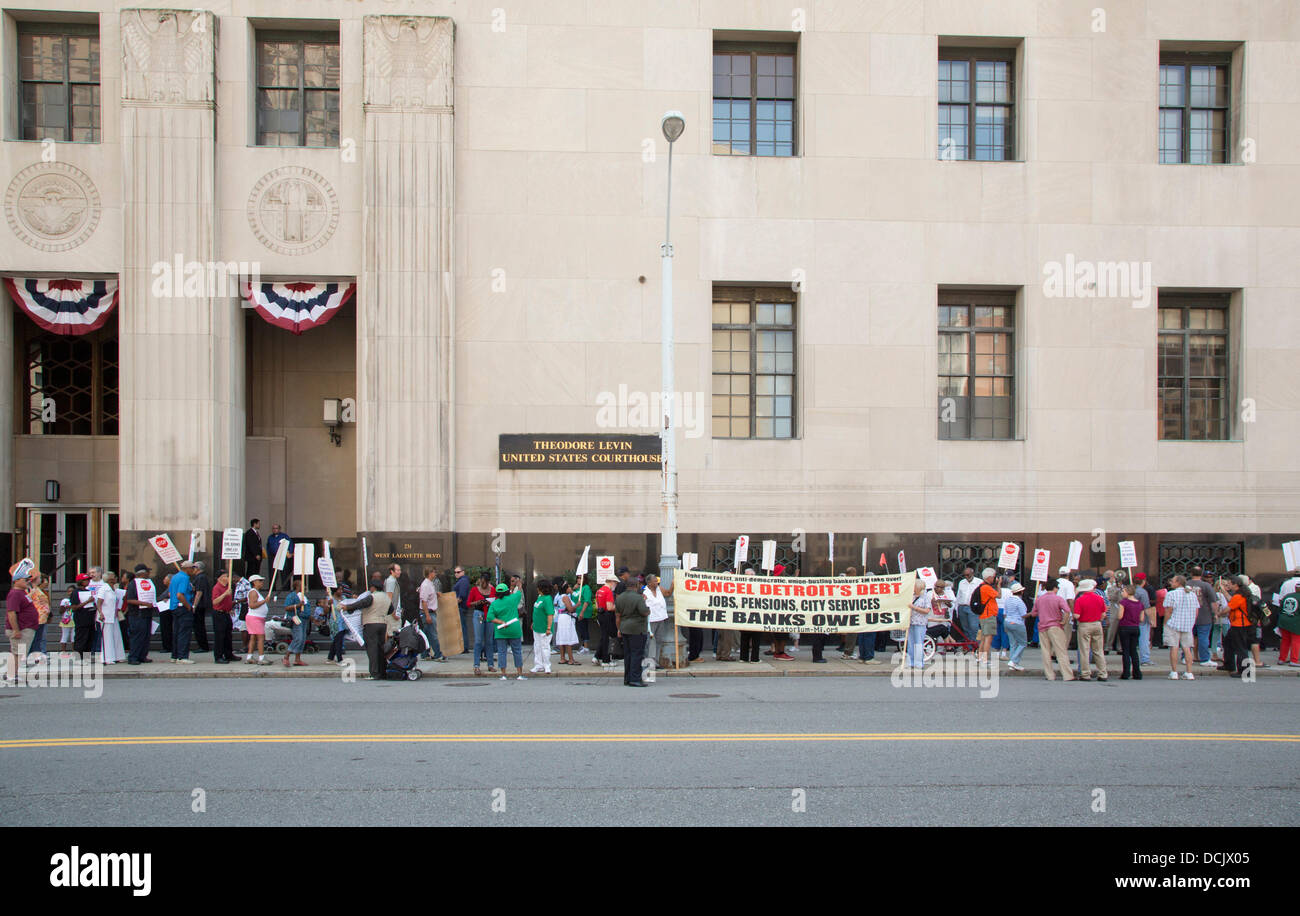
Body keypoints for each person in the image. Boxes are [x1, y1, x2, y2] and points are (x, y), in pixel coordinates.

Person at [1033, 579, 1074, 681]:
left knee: (1046, 652)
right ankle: (1067, 675)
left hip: (1042, 627)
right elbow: (1067, 611)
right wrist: (1064, 621)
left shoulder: (1039, 599)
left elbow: (1034, 613)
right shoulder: (1058, 599)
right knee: (1061, 651)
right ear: (1055, 588)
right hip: (1055, 626)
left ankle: (1049, 675)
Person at [4, 571, 38, 684]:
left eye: (29, 580)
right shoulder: (15, 594)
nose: (28, 582)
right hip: (21, 628)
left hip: (26, 627)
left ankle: (13, 673)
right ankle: (11, 675)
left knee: (19, 653)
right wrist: (16, 630)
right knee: (17, 653)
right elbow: (11, 612)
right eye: (25, 580)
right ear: (16, 581)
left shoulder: (22, 593)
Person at [1162, 575, 1199, 681]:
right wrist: (1192, 621)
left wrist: (1165, 623)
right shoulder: (1192, 595)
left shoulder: (1171, 594)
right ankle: (1189, 672)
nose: (1171, 582)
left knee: (1174, 647)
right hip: (1187, 624)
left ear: (1178, 582)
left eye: (1173, 581)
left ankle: (1174, 672)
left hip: (1173, 623)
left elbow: (1169, 610)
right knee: (1187, 648)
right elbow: (1196, 610)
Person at [486, 581, 525, 680]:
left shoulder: (494, 603)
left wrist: (500, 622)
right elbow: (519, 592)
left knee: (502, 652)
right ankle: (519, 674)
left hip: (501, 630)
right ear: (507, 591)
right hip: (514, 629)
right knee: (517, 651)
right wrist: (519, 585)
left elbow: (489, 617)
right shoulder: (513, 598)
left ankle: (503, 674)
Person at [615, 578, 650, 687]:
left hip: (624, 628)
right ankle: (635, 679)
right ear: (636, 585)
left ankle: (627, 678)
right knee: (637, 654)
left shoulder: (620, 598)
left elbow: (617, 616)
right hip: (637, 629)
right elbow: (644, 612)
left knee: (628, 654)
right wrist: (646, 606)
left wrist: (619, 629)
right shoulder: (639, 598)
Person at [1072, 578, 1108, 681]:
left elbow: (1077, 615)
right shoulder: (1099, 598)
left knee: (1084, 650)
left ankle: (1085, 674)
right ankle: (1103, 673)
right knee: (1098, 650)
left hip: (1084, 625)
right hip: (1097, 624)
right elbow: (1103, 614)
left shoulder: (1080, 600)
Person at [1221, 577, 1252, 678]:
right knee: (1228, 643)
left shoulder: (1239, 596)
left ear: (1235, 584)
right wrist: (1224, 591)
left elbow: (1228, 608)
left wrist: (1219, 614)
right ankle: (1229, 664)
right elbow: (1231, 600)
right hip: (1239, 624)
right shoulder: (1241, 594)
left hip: (1239, 625)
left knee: (1240, 648)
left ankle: (1245, 671)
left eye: (1229, 584)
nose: (1228, 585)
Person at [1187, 566, 1218, 666]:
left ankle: (1185, 657)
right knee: (1203, 638)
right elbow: (1214, 602)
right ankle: (1204, 659)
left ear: (1191, 573)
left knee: (1187, 638)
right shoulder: (1206, 586)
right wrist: (1215, 614)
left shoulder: (1186, 585)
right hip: (1204, 616)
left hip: (1188, 616)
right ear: (1201, 574)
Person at [418, 567, 448, 662]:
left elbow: (429, 597)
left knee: (426, 634)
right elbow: (424, 601)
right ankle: (438, 654)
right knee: (433, 634)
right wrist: (427, 615)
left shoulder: (430, 584)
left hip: (430, 612)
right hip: (428, 612)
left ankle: (424, 654)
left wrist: (436, 594)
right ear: (430, 573)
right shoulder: (426, 585)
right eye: (434, 572)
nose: (435, 574)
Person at [642, 574, 673, 668]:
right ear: (649, 583)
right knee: (650, 641)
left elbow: (668, 593)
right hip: (651, 620)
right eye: (655, 581)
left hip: (661, 618)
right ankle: (649, 662)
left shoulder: (659, 589)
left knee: (659, 640)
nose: (657, 582)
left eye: (657, 581)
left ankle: (656, 661)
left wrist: (672, 585)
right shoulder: (644, 591)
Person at [169, 561, 196, 664]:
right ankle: (182, 656)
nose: (193, 570)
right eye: (192, 568)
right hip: (183, 607)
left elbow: (171, 592)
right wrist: (188, 606)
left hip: (174, 607)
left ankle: (175, 656)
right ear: (187, 568)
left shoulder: (175, 577)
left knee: (177, 632)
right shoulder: (184, 578)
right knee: (184, 633)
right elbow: (180, 595)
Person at [972, 568, 1000, 667]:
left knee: (983, 638)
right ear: (989, 577)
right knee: (988, 638)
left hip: (984, 616)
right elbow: (999, 595)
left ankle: (980, 658)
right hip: (989, 616)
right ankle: (985, 660)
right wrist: (999, 585)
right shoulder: (986, 588)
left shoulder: (982, 586)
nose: (994, 579)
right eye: (993, 577)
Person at [96, 572, 126, 665]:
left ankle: (118, 656)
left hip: (114, 616)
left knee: (116, 636)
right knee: (107, 637)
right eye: (114, 577)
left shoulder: (114, 589)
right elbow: (99, 602)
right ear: (109, 579)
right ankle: (107, 658)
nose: (116, 578)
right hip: (106, 616)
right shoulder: (103, 589)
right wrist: (101, 613)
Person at [243, 574, 273, 666]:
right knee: (260, 638)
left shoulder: (256, 592)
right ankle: (261, 658)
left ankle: (249, 657)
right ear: (254, 582)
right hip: (255, 618)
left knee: (253, 637)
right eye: (260, 581)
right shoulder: (253, 592)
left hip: (257, 617)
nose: (262, 582)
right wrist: (265, 601)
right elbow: (252, 605)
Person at [1116, 584, 1144, 680]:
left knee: (1126, 651)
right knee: (1134, 651)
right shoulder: (1140, 604)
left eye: (1123, 591)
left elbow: (1120, 616)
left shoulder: (1123, 602)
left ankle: (1126, 672)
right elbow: (1141, 618)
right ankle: (1137, 673)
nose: (1122, 593)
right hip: (1135, 627)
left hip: (1125, 627)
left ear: (1128, 592)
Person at [469, 573, 493, 674]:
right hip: (478, 613)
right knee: (478, 640)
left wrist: (490, 602)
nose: (483, 585)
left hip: (489, 614)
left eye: (485, 583)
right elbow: (468, 603)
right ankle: (476, 665)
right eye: (482, 582)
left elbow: (496, 601)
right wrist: (477, 602)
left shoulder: (492, 590)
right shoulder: (474, 590)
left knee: (489, 640)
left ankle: (490, 664)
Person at [530, 578, 555, 675]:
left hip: (544, 628)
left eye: (538, 587)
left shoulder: (547, 599)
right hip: (537, 627)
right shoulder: (539, 597)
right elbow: (537, 612)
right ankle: (538, 665)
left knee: (545, 647)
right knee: (537, 646)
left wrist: (548, 628)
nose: (537, 589)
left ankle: (546, 665)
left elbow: (550, 614)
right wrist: (533, 622)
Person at [1002, 582, 1029, 671]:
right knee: (1023, 643)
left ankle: (1013, 663)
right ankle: (1013, 661)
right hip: (1017, 623)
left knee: (1013, 644)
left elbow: (1004, 614)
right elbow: (1023, 615)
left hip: (1007, 622)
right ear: (1021, 592)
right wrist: (1032, 613)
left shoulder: (1008, 600)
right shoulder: (1019, 601)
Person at [594, 574, 619, 668]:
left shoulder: (599, 590)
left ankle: (597, 656)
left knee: (604, 636)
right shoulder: (608, 592)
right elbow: (609, 607)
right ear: (612, 582)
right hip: (607, 616)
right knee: (607, 638)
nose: (616, 585)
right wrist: (618, 606)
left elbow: (597, 606)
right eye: (616, 583)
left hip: (600, 615)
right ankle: (606, 660)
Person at [211, 570, 235, 664]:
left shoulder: (227, 587)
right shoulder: (217, 588)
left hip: (226, 613)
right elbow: (215, 601)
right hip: (219, 613)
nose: (228, 578)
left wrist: (229, 608)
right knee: (220, 636)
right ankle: (218, 656)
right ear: (220, 578)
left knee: (228, 635)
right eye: (226, 576)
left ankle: (229, 654)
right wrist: (225, 594)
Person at [553, 580, 580, 666]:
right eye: (568, 587)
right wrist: (577, 605)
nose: (570, 588)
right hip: (566, 618)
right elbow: (570, 609)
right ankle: (571, 659)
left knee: (562, 637)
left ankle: (562, 658)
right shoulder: (565, 597)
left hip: (561, 617)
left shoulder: (559, 596)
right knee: (567, 637)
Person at [905, 579, 930, 669]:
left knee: (919, 643)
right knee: (910, 642)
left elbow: (927, 610)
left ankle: (919, 663)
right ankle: (910, 662)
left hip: (920, 623)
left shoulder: (925, 597)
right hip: (911, 622)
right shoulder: (911, 596)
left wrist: (914, 607)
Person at [283, 586, 309, 668]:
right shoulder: (292, 596)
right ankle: (286, 656)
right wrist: (297, 605)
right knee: (298, 638)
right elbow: (286, 607)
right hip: (296, 619)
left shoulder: (304, 596)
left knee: (302, 639)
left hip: (304, 619)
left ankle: (297, 659)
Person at [190, 561, 212, 653]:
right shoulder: (200, 577)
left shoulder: (200, 577)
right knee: (198, 626)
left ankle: (203, 646)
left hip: (199, 605)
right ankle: (202, 645)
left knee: (199, 626)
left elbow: (199, 593)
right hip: (200, 604)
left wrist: (194, 605)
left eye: (193, 568)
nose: (192, 570)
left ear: (197, 568)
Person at [954, 566, 980, 644]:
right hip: (962, 606)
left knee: (974, 626)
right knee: (965, 627)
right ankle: (968, 644)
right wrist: (956, 608)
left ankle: (975, 643)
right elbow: (958, 595)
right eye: (965, 575)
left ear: (972, 573)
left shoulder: (979, 582)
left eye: (968, 575)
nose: (966, 577)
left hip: (973, 607)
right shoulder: (962, 582)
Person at [452, 565, 472, 655]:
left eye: (458, 572)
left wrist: (454, 604)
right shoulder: (462, 581)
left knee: (461, 627)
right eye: (455, 572)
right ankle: (463, 646)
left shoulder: (463, 581)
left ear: (463, 572)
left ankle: (464, 647)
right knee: (461, 626)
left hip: (460, 606)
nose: (456, 574)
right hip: (461, 606)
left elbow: (462, 595)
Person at [326, 590, 348, 665]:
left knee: (336, 640)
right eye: (339, 589)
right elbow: (325, 611)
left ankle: (330, 658)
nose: (341, 591)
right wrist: (328, 604)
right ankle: (339, 659)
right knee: (338, 641)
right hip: (335, 622)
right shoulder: (330, 598)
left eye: (341, 589)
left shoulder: (344, 598)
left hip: (343, 622)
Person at [574, 576, 594, 655]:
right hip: (577, 611)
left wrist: (582, 612)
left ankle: (586, 647)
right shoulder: (578, 588)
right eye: (578, 578)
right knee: (580, 629)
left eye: (580, 578)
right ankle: (583, 645)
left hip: (584, 611)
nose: (578, 579)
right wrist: (574, 589)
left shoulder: (586, 588)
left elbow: (587, 600)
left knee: (583, 628)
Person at [57, 588, 76, 658]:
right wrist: (65, 607)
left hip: (75, 619)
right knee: (65, 635)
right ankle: (63, 651)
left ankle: (74, 651)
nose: (70, 593)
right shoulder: (65, 600)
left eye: (72, 591)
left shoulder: (76, 599)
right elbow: (60, 611)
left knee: (74, 636)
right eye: (69, 591)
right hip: (66, 620)